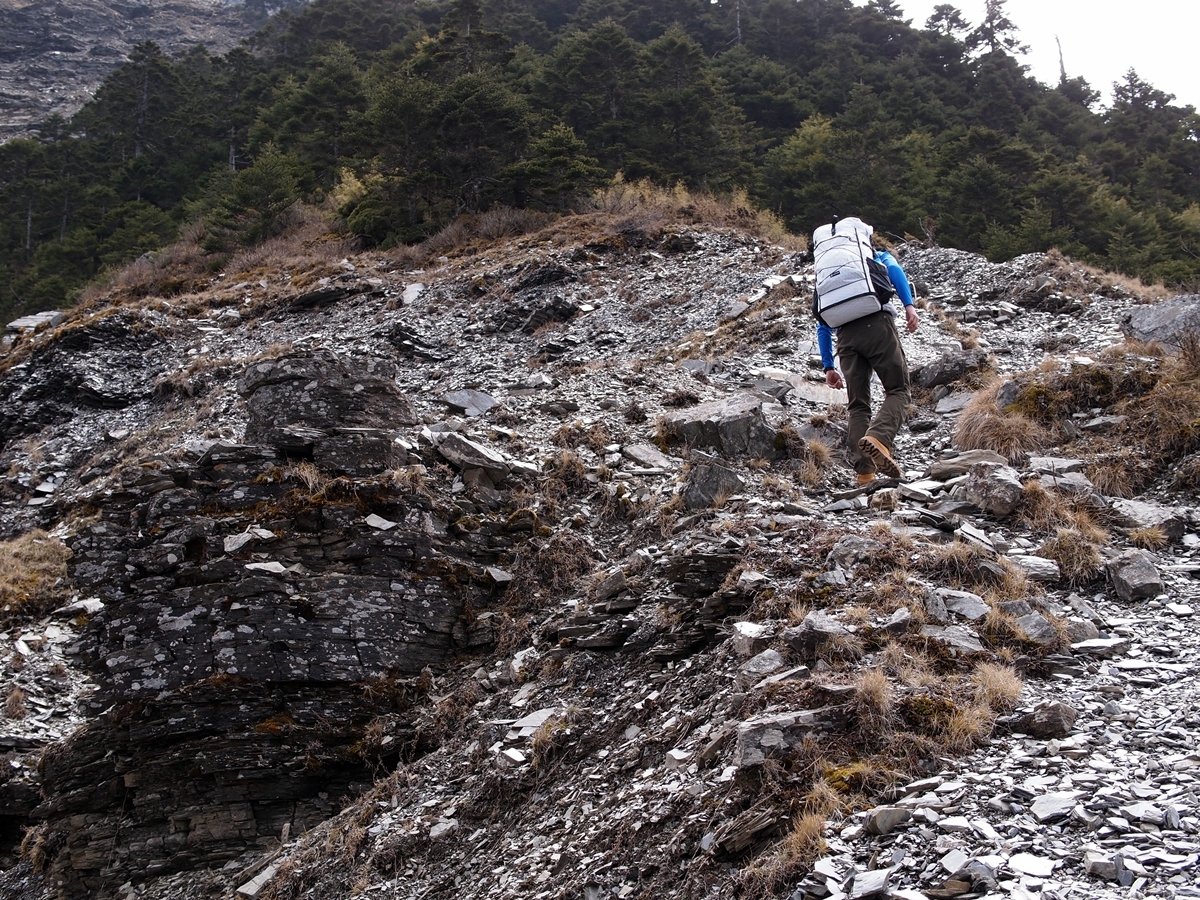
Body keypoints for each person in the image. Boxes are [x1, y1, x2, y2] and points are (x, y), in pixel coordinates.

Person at [816, 242, 918, 484]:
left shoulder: (827, 272)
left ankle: (865, 473)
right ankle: (879, 438)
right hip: (877, 326)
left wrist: (828, 366)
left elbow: (822, 322)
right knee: (899, 389)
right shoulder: (874, 255)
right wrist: (909, 305)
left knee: (858, 406)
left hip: (845, 338)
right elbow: (895, 271)